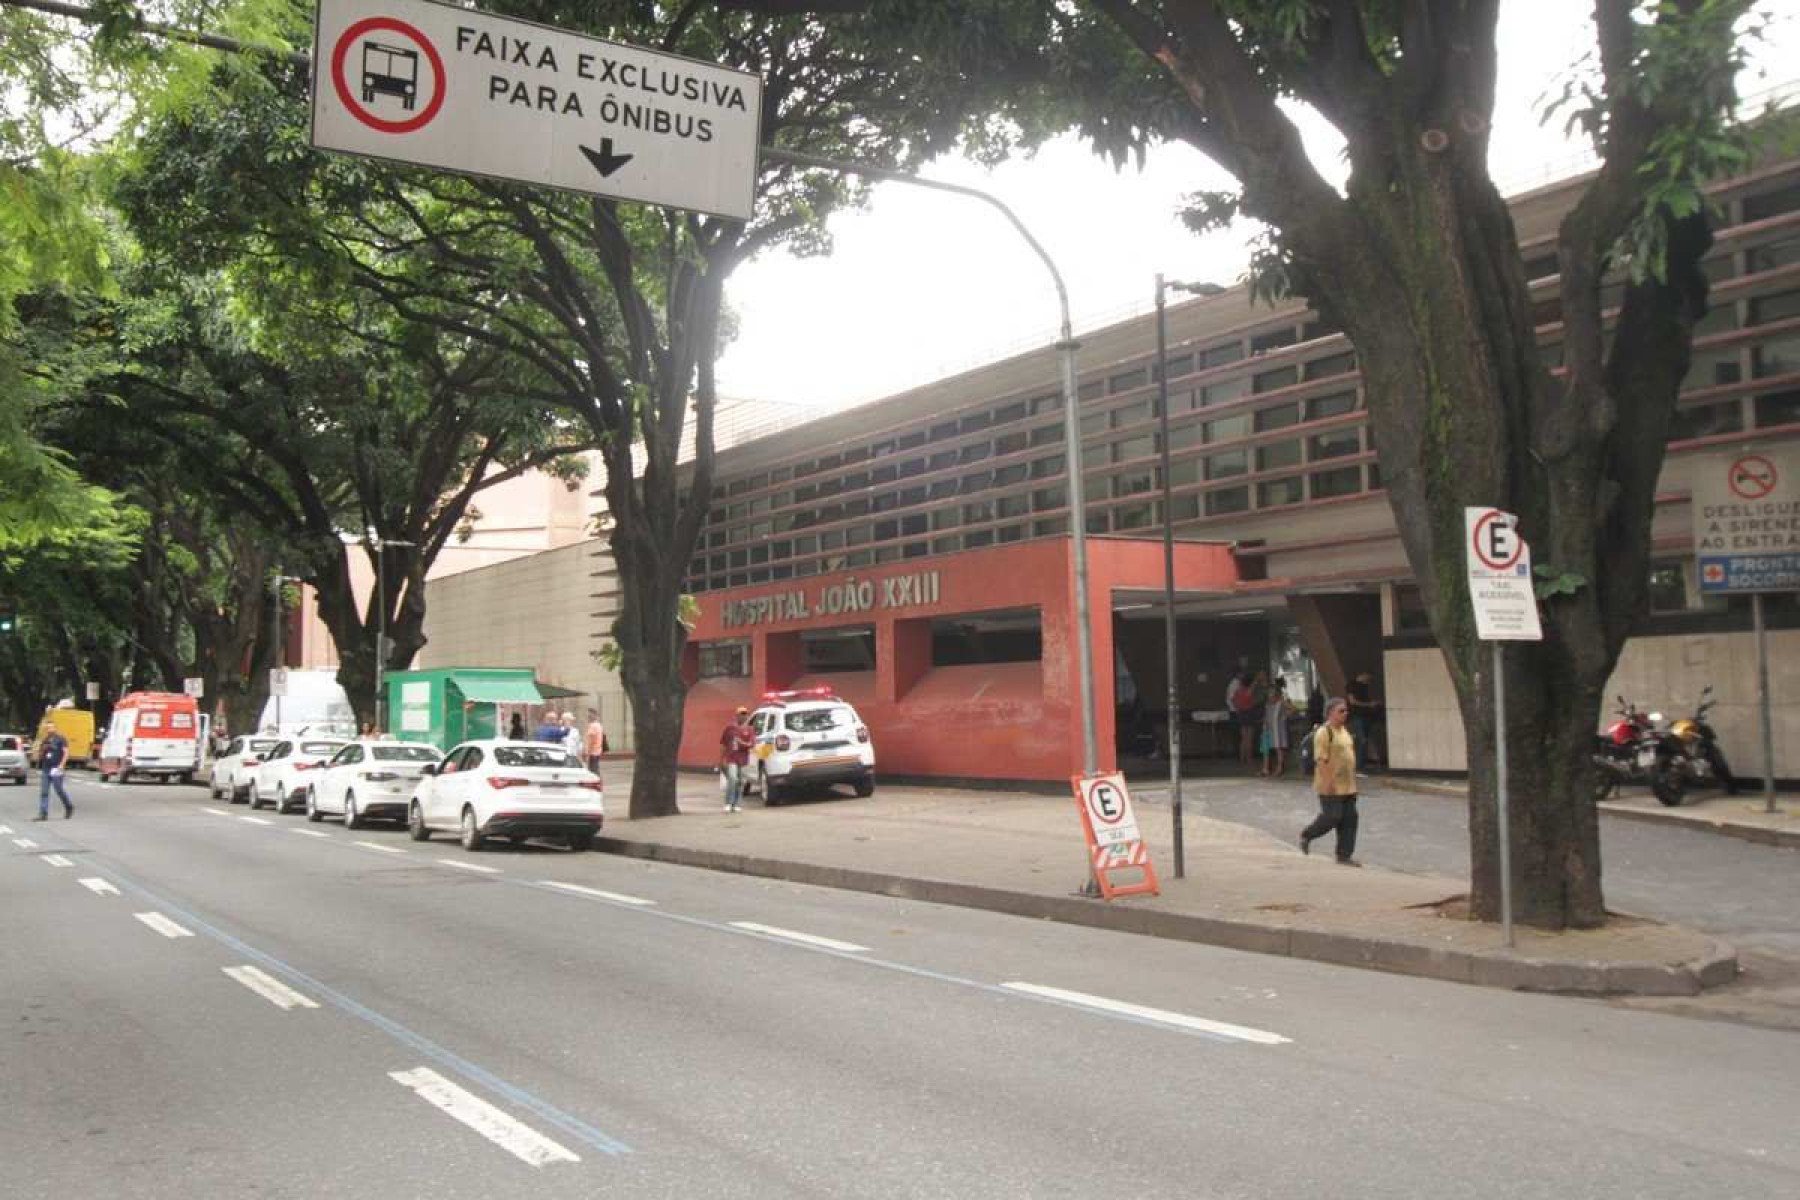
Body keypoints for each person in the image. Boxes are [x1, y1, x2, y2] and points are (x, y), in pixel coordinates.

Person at [1300, 698, 1360, 865]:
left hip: (1348, 785)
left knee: (1350, 819)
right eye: (1341, 711)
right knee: (1332, 816)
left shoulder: (1344, 731)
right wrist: (1328, 782)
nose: (1345, 713)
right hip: (1330, 784)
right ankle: (1307, 834)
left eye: (1346, 710)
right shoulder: (1324, 732)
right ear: (1330, 713)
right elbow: (1321, 760)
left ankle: (1344, 855)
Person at [717, 705, 755, 813]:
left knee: (740, 782)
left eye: (745, 714)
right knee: (733, 779)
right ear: (736, 715)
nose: (743, 716)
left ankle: (737, 804)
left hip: (743, 759)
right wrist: (720, 759)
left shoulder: (750, 729)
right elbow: (723, 744)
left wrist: (741, 743)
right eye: (741, 714)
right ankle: (728, 803)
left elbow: (751, 744)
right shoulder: (730, 728)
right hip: (731, 758)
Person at [1228, 669, 1264, 768]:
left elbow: (1232, 700)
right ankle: (1249, 759)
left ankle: (1242, 758)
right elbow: (1253, 687)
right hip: (1249, 713)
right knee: (1249, 738)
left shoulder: (1238, 691)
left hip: (1241, 713)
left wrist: (1238, 708)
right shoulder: (1248, 691)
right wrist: (1257, 678)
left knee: (1243, 738)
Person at [1347, 671, 1384, 768]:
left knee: (1366, 739)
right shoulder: (1352, 685)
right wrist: (1369, 705)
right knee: (1362, 739)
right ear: (1362, 675)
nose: (1368, 681)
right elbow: (1352, 701)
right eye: (1368, 678)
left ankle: (1363, 762)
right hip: (1358, 716)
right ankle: (1359, 764)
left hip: (1366, 715)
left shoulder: (1364, 686)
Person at [36, 728, 73, 821]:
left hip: (56, 768)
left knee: (58, 789)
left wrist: (62, 765)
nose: (49, 730)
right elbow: (39, 755)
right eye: (47, 728)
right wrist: (41, 751)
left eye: (51, 727)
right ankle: (43, 814)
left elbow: (66, 753)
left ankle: (69, 806)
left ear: (54, 729)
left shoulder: (61, 739)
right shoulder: (44, 740)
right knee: (44, 792)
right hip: (46, 768)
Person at [1260, 686, 1291, 777]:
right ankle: (1265, 768)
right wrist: (1264, 723)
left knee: (1278, 748)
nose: (1270, 696)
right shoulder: (1268, 704)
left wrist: (1285, 716)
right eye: (1269, 694)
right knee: (1265, 748)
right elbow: (1266, 715)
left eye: (1272, 694)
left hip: (1278, 728)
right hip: (1268, 727)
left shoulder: (1280, 703)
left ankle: (1279, 768)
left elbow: (1292, 709)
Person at [583, 709, 606, 774]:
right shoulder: (599, 725)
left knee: (593, 770)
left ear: (593, 716)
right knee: (595, 768)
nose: (587, 717)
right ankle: (598, 781)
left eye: (589, 715)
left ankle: (597, 782)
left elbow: (591, 741)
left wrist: (587, 752)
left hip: (593, 752)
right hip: (597, 751)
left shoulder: (593, 726)